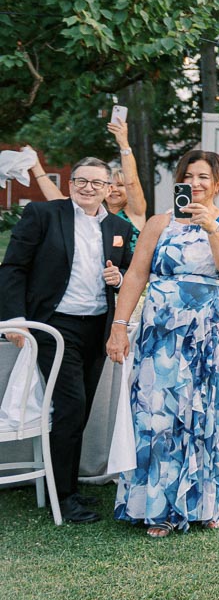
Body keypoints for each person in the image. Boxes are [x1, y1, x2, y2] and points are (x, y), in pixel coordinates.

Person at [105, 151, 219, 536]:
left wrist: (212, 229)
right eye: (189, 176)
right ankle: (158, 506)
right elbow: (136, 274)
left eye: (205, 177)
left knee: (212, 412)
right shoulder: (159, 223)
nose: (197, 183)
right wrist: (120, 326)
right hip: (163, 333)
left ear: (217, 184)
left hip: (213, 334)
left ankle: (210, 502)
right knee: (159, 412)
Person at [0, 158, 135, 523]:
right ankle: (65, 495)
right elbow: (13, 266)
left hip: (97, 328)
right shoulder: (44, 214)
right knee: (71, 405)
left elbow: (130, 274)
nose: (88, 188)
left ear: (109, 189)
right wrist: (13, 319)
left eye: (97, 183)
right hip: (55, 326)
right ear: (71, 183)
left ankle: (65, 480)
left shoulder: (119, 226)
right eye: (81, 180)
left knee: (83, 406)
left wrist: (118, 278)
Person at [106, 117, 148, 247]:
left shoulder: (135, 212)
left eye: (120, 185)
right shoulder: (96, 214)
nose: (113, 189)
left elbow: (132, 183)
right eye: (109, 184)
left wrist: (123, 144)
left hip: (131, 268)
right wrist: (39, 166)